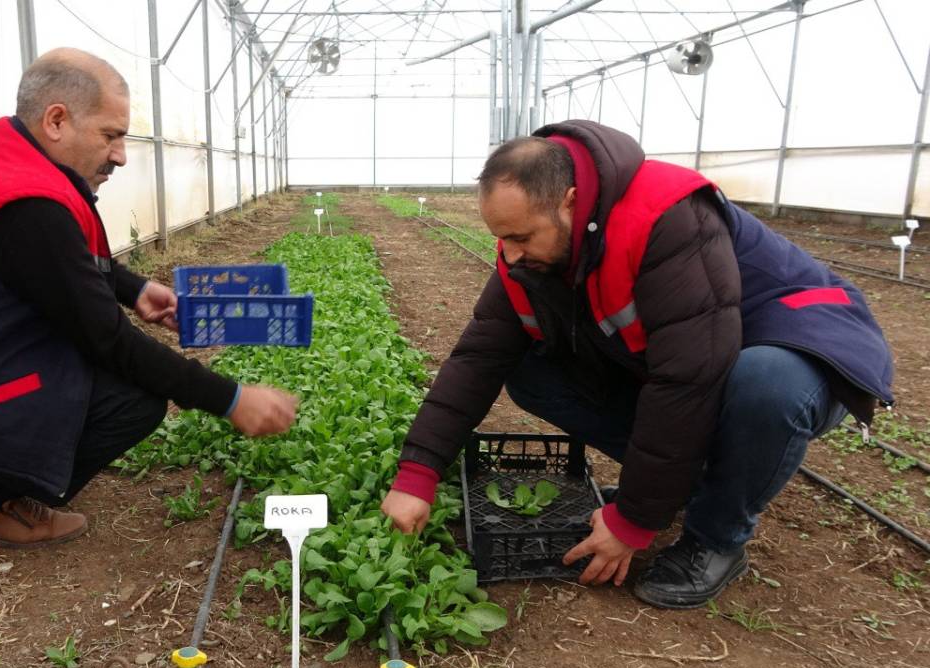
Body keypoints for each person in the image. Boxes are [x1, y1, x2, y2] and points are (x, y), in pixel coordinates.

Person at [380, 120, 893, 608]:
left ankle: (716, 539)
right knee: (532, 372)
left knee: (766, 384)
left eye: (522, 237)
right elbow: (479, 357)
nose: (510, 256)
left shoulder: (666, 219)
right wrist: (417, 474)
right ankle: (691, 484)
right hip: (707, 354)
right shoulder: (536, 252)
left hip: (802, 348)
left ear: (570, 202)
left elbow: (686, 380)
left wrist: (632, 522)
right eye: (502, 238)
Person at [0, 48, 297, 549]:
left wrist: (135, 289)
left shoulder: (4, 152)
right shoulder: (29, 204)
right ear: (56, 120)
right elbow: (107, 340)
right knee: (131, 402)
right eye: (111, 135)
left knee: (67, 352)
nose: (120, 155)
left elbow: (54, 264)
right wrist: (229, 399)